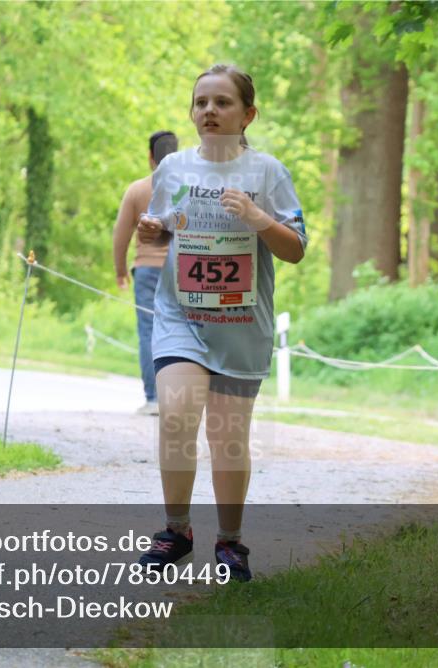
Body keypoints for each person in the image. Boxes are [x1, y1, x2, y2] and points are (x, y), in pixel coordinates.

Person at [135, 64, 307, 582]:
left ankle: (230, 543)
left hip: (240, 323)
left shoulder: (268, 173)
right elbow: (164, 233)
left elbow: (296, 248)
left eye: (222, 102)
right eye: (201, 102)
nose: (209, 111)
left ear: (248, 113)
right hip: (180, 317)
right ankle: (176, 531)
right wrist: (154, 228)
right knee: (177, 414)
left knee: (228, 439)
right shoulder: (174, 168)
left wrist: (258, 218)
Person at [112, 130, 178, 416]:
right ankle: (179, 399)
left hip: (148, 269)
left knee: (148, 332)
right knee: (181, 333)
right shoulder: (188, 188)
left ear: (150, 157)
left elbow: (121, 234)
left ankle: (153, 399)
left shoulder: (137, 190)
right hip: (183, 269)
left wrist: (120, 270)